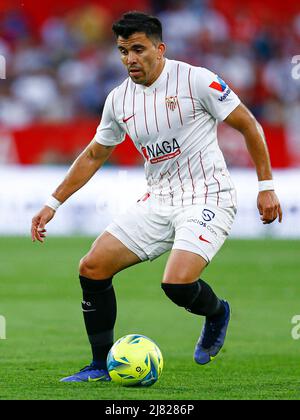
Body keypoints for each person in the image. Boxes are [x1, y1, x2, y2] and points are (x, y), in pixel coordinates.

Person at [31, 11, 282, 382]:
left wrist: (266, 186)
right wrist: (52, 203)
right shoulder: (118, 100)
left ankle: (217, 313)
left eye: (138, 49)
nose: (130, 59)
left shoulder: (197, 80)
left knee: (177, 284)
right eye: (122, 51)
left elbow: (248, 124)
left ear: (159, 49)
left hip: (207, 196)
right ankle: (100, 365)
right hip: (158, 199)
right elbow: (96, 154)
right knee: (92, 267)